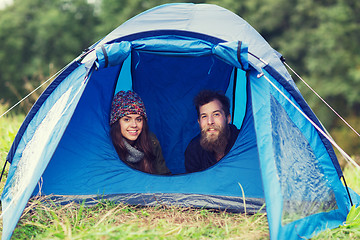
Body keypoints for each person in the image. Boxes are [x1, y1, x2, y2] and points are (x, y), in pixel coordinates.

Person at [110, 90, 170, 175]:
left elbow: (164, 175)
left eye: (138, 119)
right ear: (116, 123)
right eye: (127, 119)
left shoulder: (151, 141)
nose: (134, 125)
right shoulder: (108, 147)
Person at [185, 90, 240, 173]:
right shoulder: (194, 150)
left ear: (228, 118)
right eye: (204, 116)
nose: (210, 121)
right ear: (199, 122)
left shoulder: (243, 142)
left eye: (216, 114)